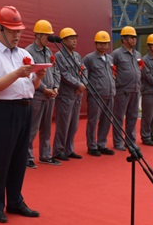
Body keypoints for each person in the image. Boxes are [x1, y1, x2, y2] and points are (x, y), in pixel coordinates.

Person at [0, 6, 46, 223]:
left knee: (19, 158)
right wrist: (17, 73)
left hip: (24, 108)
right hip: (2, 110)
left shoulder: (24, 54)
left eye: (18, 30)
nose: (17, 35)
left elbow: (31, 87)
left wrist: (38, 77)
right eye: (11, 30)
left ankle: (15, 201)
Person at [24, 20, 60, 168]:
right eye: (46, 35)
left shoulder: (49, 51)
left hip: (50, 95)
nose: (49, 38)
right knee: (33, 127)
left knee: (46, 127)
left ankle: (45, 155)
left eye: (50, 35)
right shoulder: (29, 52)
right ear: (37, 35)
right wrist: (44, 88)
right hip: (38, 95)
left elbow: (56, 70)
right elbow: (31, 74)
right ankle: (27, 156)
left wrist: (56, 87)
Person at [52, 27, 85, 161]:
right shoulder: (59, 55)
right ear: (64, 40)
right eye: (71, 38)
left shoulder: (77, 56)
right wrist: (78, 84)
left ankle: (69, 149)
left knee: (74, 124)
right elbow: (64, 75)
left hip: (77, 95)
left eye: (75, 38)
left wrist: (83, 85)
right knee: (63, 124)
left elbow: (84, 69)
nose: (75, 40)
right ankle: (58, 150)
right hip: (65, 95)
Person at [82, 31, 116, 157]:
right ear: (96, 44)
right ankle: (92, 145)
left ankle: (102, 144)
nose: (103, 46)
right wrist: (89, 89)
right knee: (93, 121)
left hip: (109, 94)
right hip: (96, 96)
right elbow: (84, 76)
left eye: (105, 43)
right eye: (100, 43)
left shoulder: (110, 58)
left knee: (106, 121)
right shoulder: (89, 59)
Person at [111, 26, 142, 151]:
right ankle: (118, 142)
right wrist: (118, 84)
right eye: (131, 37)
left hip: (135, 90)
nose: (134, 40)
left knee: (133, 117)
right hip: (122, 91)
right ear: (124, 39)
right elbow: (111, 72)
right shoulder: (116, 54)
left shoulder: (137, 54)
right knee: (118, 117)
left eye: (135, 37)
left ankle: (130, 141)